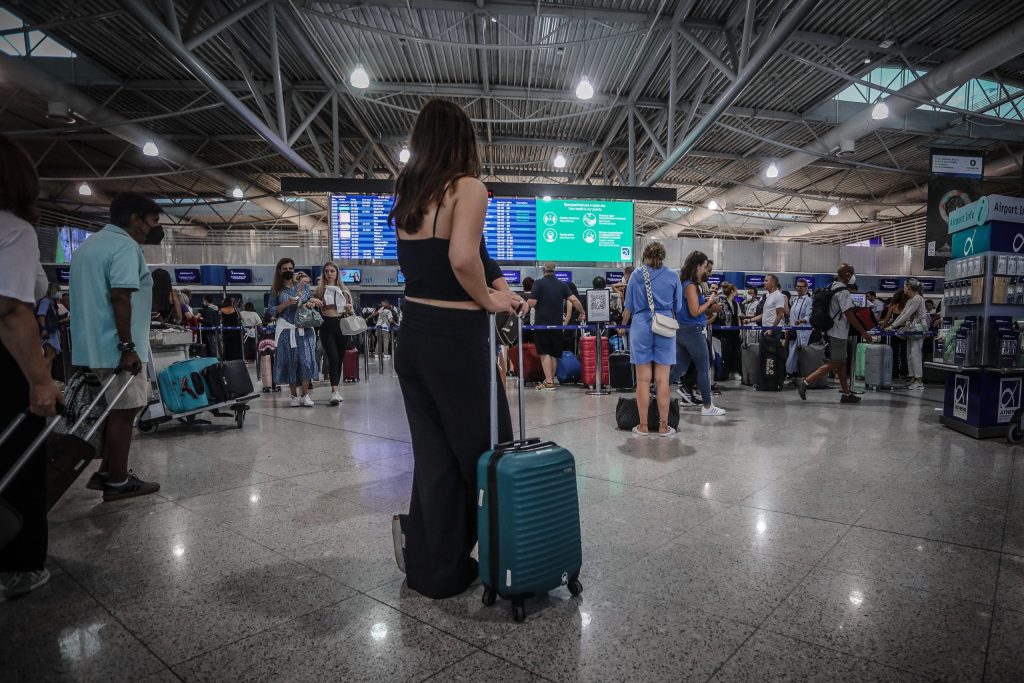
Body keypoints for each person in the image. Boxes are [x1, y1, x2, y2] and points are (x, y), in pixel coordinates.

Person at [387, 99, 522, 599]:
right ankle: (509, 562)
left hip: (414, 336)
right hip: (455, 341)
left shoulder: (410, 192)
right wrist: (491, 300)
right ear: (462, 140)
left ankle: (436, 570)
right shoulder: (468, 188)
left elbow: (470, 255)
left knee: (436, 457)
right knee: (491, 449)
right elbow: (462, 258)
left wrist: (500, 286)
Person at [0, 133, 64, 600]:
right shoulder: (13, 229)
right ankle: (19, 565)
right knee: (17, 462)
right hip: (6, 366)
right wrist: (40, 379)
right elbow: (9, 310)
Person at [70, 192, 163, 500]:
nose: (152, 228)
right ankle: (118, 482)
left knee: (118, 410)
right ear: (135, 219)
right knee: (126, 410)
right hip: (117, 348)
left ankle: (107, 472)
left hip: (91, 346)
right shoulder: (125, 246)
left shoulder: (88, 247)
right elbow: (120, 296)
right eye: (151, 221)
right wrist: (127, 346)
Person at [622, 242, 684, 435]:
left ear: (644, 256)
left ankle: (643, 426)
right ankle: (664, 427)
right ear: (663, 256)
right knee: (663, 380)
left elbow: (629, 304)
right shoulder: (673, 275)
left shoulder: (636, 275)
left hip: (641, 325)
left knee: (643, 380)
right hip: (665, 325)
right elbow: (678, 307)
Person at [796, 264, 873, 404]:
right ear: (848, 275)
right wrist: (864, 332)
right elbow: (849, 314)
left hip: (831, 329)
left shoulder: (831, 286)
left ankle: (846, 394)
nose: (854, 277)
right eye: (853, 273)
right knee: (836, 362)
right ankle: (806, 382)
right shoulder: (843, 292)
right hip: (838, 332)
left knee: (841, 363)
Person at [671, 251, 726, 416]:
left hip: (683, 331)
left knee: (678, 368)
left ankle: (655, 392)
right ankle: (707, 406)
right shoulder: (691, 286)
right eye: (704, 266)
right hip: (693, 332)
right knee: (704, 368)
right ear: (697, 266)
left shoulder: (684, 284)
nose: (705, 269)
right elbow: (695, 311)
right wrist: (710, 302)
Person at [272, 258, 321, 407]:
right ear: (279, 270)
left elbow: (308, 303)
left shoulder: (303, 286)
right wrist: (285, 304)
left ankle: (305, 395)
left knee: (306, 361)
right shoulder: (276, 289)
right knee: (290, 362)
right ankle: (293, 396)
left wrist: (311, 303)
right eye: (285, 269)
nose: (288, 271)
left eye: (290, 268)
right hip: (287, 331)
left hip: (304, 329)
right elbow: (271, 310)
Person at [527, 263, 584, 391]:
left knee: (544, 353)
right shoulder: (562, 285)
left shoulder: (538, 283)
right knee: (554, 354)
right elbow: (574, 300)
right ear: (554, 271)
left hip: (542, 325)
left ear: (543, 270)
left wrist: (524, 302)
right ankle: (550, 381)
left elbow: (533, 302)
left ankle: (548, 381)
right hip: (558, 326)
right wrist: (582, 311)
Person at [316, 261, 355, 405]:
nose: (329, 273)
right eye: (326, 271)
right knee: (333, 358)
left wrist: (349, 309)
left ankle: (336, 389)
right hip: (326, 325)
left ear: (337, 273)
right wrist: (312, 301)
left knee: (339, 358)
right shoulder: (320, 290)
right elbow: (311, 306)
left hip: (342, 325)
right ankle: (334, 391)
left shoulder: (344, 290)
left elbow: (350, 311)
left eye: (332, 271)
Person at [886, 278, 930, 390]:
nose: (904, 288)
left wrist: (892, 326)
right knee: (910, 355)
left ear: (909, 287)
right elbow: (903, 314)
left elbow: (907, 315)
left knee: (916, 354)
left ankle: (919, 381)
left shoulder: (918, 298)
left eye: (905, 286)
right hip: (911, 328)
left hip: (918, 328)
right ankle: (913, 379)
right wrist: (893, 325)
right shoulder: (910, 300)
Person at [713, 282, 742, 380]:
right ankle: (724, 373)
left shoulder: (735, 303)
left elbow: (738, 318)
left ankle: (734, 372)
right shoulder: (722, 303)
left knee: (736, 354)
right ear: (732, 291)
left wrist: (740, 330)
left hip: (735, 333)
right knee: (726, 353)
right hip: (724, 334)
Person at [785, 278, 814, 377]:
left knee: (798, 354)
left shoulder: (808, 300)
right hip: (793, 331)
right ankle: (792, 373)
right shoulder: (795, 300)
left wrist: (801, 321)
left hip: (802, 332)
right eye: (797, 286)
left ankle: (798, 375)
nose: (799, 288)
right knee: (791, 353)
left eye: (801, 286)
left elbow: (808, 316)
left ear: (806, 288)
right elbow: (792, 316)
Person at [36, 283, 62, 374]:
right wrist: (43, 328)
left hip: (51, 331)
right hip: (48, 332)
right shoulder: (46, 301)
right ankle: (39, 374)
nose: (58, 293)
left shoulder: (51, 302)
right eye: (57, 291)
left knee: (50, 355)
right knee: (51, 355)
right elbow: (41, 315)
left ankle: (48, 377)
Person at [220, 297, 243, 361]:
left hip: (226, 330)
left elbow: (221, 320)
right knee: (235, 344)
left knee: (227, 344)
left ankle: (227, 357)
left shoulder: (221, 310)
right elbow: (240, 317)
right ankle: (236, 357)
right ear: (230, 302)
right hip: (235, 330)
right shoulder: (234, 309)